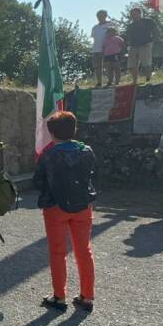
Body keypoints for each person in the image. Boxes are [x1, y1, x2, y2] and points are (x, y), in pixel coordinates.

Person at [33, 111, 97, 312]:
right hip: (83, 205)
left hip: (55, 206)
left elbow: (38, 181)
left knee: (57, 252)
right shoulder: (86, 151)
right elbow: (94, 175)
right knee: (84, 250)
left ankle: (59, 296)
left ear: (51, 132)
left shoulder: (48, 154)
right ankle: (87, 296)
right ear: (74, 129)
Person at [126, 7, 158, 84]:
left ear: (140, 13)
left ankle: (148, 78)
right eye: (132, 14)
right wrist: (128, 45)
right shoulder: (130, 25)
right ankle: (134, 81)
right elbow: (128, 36)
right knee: (132, 65)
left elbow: (156, 31)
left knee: (146, 63)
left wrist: (154, 41)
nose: (133, 15)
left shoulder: (148, 21)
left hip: (145, 44)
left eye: (135, 13)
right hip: (133, 46)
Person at [90, 10, 115, 87]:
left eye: (102, 15)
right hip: (96, 49)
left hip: (108, 48)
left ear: (105, 16)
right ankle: (99, 82)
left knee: (109, 65)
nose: (100, 17)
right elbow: (93, 38)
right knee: (98, 66)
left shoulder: (111, 24)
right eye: (98, 16)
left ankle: (110, 81)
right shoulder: (95, 27)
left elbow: (114, 35)